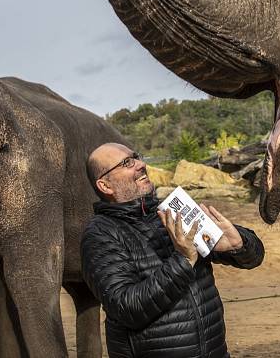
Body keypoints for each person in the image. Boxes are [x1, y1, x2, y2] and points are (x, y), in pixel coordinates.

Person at [81, 142, 264, 358]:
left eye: (136, 157)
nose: (141, 164)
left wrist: (240, 245)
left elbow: (254, 258)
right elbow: (126, 308)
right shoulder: (100, 235)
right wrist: (183, 260)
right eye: (127, 163)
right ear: (105, 186)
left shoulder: (173, 209)